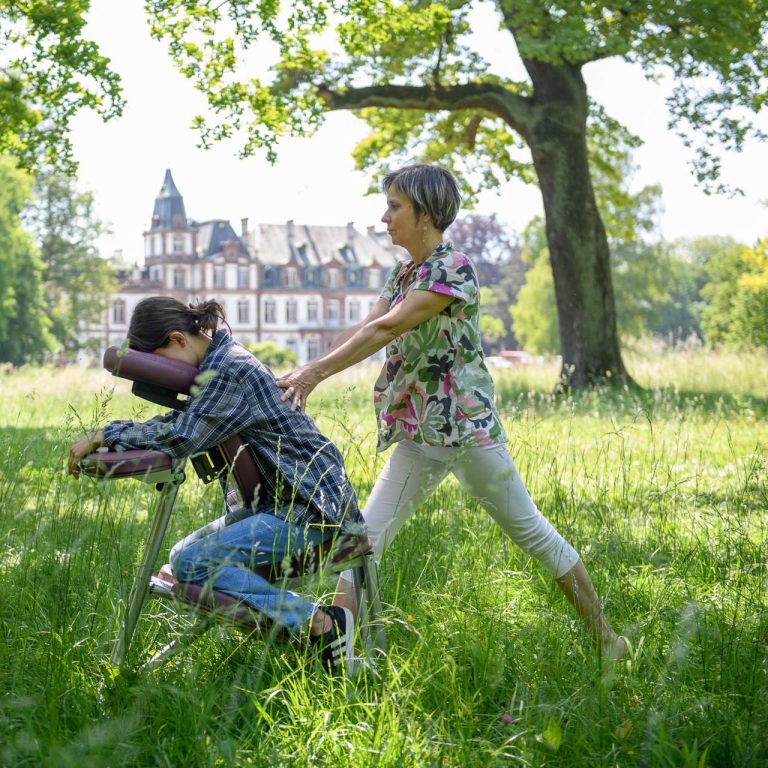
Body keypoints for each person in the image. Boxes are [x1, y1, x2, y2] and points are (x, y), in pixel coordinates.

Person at [276, 164, 625, 657]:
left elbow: (385, 331)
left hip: (463, 431)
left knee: (531, 532)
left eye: (395, 207)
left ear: (425, 213)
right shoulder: (403, 274)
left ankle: (608, 641)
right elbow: (363, 330)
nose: (384, 217)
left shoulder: (451, 268)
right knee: (364, 541)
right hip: (420, 433)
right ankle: (339, 653)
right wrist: (301, 372)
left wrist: (314, 376)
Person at [68, 296, 362, 672]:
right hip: (288, 505)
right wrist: (109, 436)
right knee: (180, 560)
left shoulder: (228, 371)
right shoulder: (219, 363)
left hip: (309, 509)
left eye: (159, 363)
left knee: (192, 562)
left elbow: (182, 438)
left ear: (178, 339)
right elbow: (179, 425)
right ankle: (303, 629)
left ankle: (320, 623)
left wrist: (108, 431)